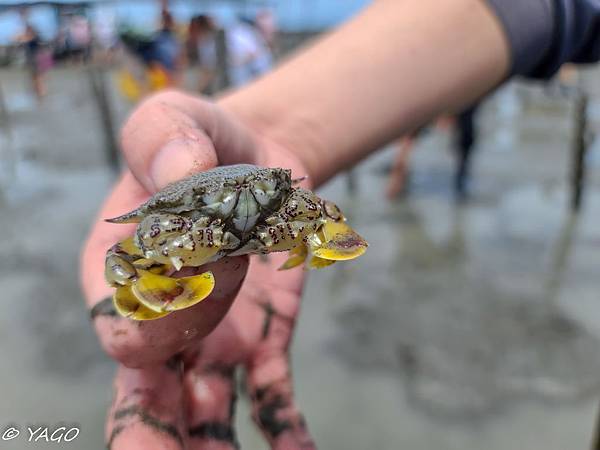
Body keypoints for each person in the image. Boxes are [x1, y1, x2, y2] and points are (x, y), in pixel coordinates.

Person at [81, 1, 600, 448]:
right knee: (130, 262)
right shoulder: (168, 219)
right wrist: (270, 129)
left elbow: (331, 223)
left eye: (256, 191)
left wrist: (308, 236)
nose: (233, 207)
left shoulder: (284, 204)